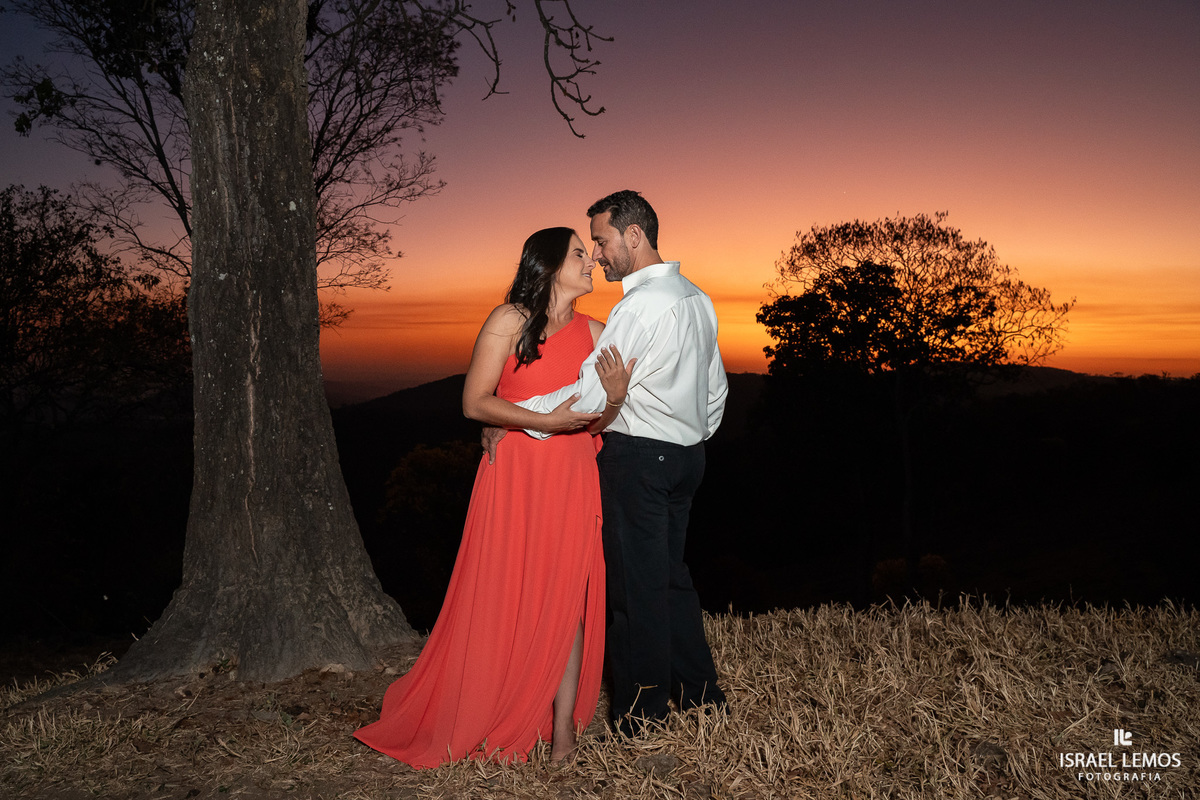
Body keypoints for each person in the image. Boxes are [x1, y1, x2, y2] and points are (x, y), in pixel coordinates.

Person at [354, 227, 634, 767]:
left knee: (567, 599)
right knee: (506, 588)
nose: (591, 260)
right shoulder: (509, 320)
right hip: (514, 480)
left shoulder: (600, 332)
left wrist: (616, 399)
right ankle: (490, 702)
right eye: (580, 253)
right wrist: (538, 420)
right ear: (549, 264)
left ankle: (563, 735)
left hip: (573, 474)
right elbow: (475, 402)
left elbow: (598, 420)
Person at [507, 190, 729, 735]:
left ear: (634, 235)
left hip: (640, 461)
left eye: (603, 242)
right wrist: (690, 436)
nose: (599, 255)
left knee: (635, 594)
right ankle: (703, 697)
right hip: (686, 459)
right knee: (670, 581)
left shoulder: (640, 305)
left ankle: (640, 718)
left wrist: (511, 412)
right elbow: (716, 391)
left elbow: (588, 396)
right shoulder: (697, 297)